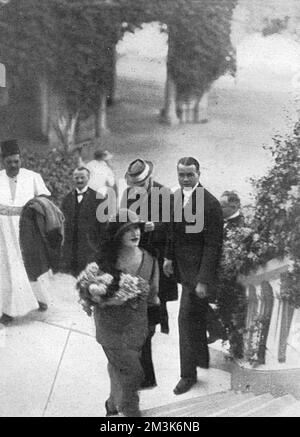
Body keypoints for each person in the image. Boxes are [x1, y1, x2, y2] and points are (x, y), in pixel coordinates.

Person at [164, 156, 223, 395]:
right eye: (181, 175)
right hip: (182, 268)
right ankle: (202, 357)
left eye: (190, 175)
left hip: (198, 273)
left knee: (185, 321)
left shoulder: (210, 204)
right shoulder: (175, 197)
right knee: (195, 316)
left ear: (199, 174)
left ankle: (187, 375)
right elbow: (171, 231)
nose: (185, 179)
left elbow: (213, 246)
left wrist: (203, 280)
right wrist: (168, 257)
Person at [92, 209, 160, 417]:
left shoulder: (150, 260)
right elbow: (90, 294)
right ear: (117, 234)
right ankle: (131, 413)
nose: (134, 233)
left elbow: (153, 297)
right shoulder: (104, 261)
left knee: (118, 367)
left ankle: (112, 405)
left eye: (136, 228)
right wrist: (110, 299)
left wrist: (151, 325)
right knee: (132, 372)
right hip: (110, 327)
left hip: (137, 329)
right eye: (127, 229)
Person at [121, 158, 178, 389]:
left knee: (148, 317)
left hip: (158, 258)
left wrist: (158, 226)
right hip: (138, 258)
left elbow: (175, 225)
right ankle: (144, 373)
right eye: (133, 183)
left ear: (149, 179)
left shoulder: (164, 193)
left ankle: (146, 375)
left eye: (140, 183)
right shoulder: (128, 194)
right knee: (142, 316)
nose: (136, 187)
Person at [0, 139, 51, 324]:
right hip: (3, 232)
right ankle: (8, 309)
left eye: (16, 161)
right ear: (2, 161)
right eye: (9, 162)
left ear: (20, 159)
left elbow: (45, 198)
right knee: (8, 268)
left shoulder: (32, 176)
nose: (14, 165)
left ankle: (40, 298)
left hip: (27, 227)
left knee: (30, 265)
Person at [60, 167, 104, 277]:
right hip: (71, 251)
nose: (79, 180)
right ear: (73, 179)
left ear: (88, 178)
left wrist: (100, 249)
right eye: (76, 178)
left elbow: (103, 227)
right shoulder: (67, 199)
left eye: (82, 177)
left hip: (90, 249)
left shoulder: (99, 198)